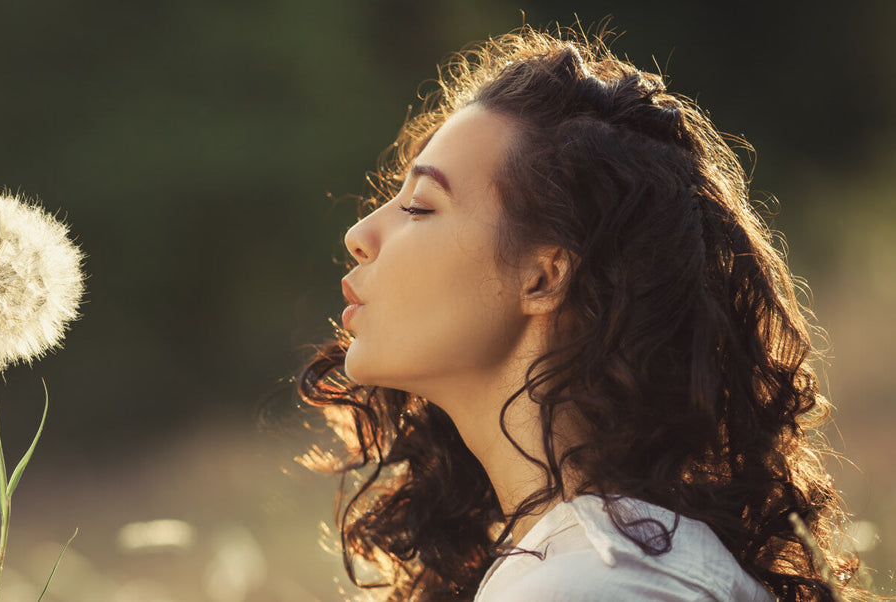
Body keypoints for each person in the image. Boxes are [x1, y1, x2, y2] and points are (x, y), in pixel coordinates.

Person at [298, 25, 867, 602]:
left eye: (420, 207)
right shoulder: (602, 565)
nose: (359, 233)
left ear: (544, 278)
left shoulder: (590, 583)